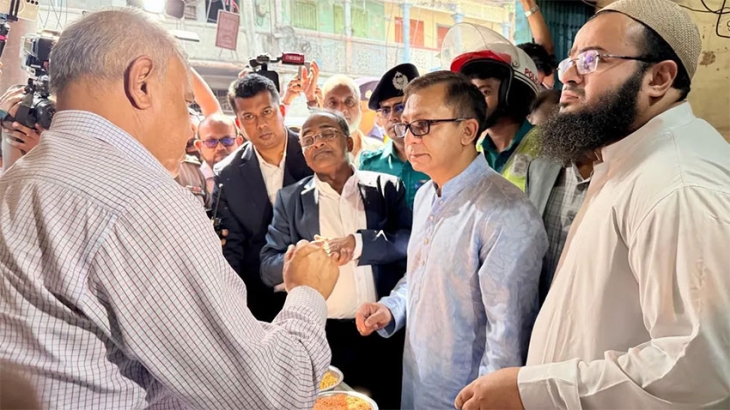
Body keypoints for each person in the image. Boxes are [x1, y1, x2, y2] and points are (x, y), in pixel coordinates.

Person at [0, 8, 339, 409]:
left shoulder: (17, 179)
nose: (190, 128)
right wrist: (308, 291)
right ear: (142, 83)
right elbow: (275, 392)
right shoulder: (142, 200)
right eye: (186, 103)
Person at [455, 1, 730, 409]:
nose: (567, 75)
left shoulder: (680, 186)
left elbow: (698, 368)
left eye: (592, 59)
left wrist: (533, 391)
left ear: (658, 78)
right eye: (571, 60)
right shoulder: (626, 160)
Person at [355, 71, 547, 409]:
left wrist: (484, 401)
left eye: (422, 125)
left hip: (464, 394)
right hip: (417, 378)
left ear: (468, 131)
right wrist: (392, 307)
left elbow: (508, 336)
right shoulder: (427, 194)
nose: (409, 138)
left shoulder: (505, 213)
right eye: (405, 125)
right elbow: (421, 275)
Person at [260, 109, 410, 409]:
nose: (318, 142)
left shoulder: (387, 188)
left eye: (327, 133)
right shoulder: (290, 199)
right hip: (323, 336)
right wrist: (298, 260)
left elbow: (408, 242)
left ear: (349, 142)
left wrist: (358, 243)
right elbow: (267, 267)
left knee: (386, 401)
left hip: (381, 328)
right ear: (304, 154)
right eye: (308, 139)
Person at [215, 73, 313, 322]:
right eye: (249, 117)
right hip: (260, 300)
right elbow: (231, 248)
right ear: (238, 123)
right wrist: (234, 308)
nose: (260, 124)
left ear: (282, 110)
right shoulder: (228, 174)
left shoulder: (313, 155)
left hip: (319, 289)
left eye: (267, 112)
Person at [446, 25, 542, 191]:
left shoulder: (546, 146)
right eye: (473, 93)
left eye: (485, 91)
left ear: (513, 94)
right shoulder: (473, 150)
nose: (475, 102)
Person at [359, 63, 430, 209]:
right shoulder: (370, 165)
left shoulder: (439, 158)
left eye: (400, 107)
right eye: (385, 110)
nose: (392, 117)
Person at [322, 75, 383, 167]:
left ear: (360, 106)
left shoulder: (379, 151)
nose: (342, 110)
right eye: (333, 103)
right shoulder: (316, 155)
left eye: (349, 102)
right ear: (323, 108)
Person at [194, 113, 243, 194]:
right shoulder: (192, 180)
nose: (220, 147)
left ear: (239, 142)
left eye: (227, 140)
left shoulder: (253, 175)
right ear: (199, 146)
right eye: (211, 141)